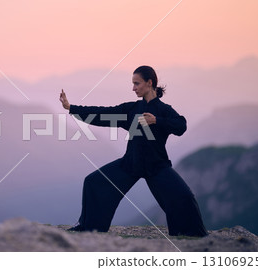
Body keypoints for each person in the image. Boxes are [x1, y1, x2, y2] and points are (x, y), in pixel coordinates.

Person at [59, 65, 208, 237]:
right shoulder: (131, 110)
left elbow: (181, 126)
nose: (133, 88)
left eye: (137, 84)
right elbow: (102, 114)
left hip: (157, 166)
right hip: (130, 164)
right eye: (133, 84)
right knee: (93, 182)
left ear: (149, 83)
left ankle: (189, 235)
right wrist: (72, 108)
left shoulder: (164, 110)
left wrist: (157, 121)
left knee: (184, 196)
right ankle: (88, 228)